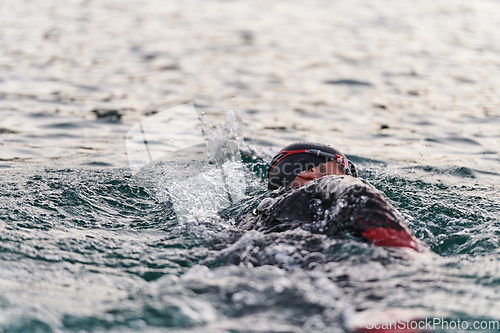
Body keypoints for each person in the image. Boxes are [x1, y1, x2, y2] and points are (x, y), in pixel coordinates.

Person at [237, 142, 421, 251]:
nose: (347, 179)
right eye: (343, 173)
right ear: (311, 171)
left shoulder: (248, 213)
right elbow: (359, 196)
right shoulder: (321, 188)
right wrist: (410, 254)